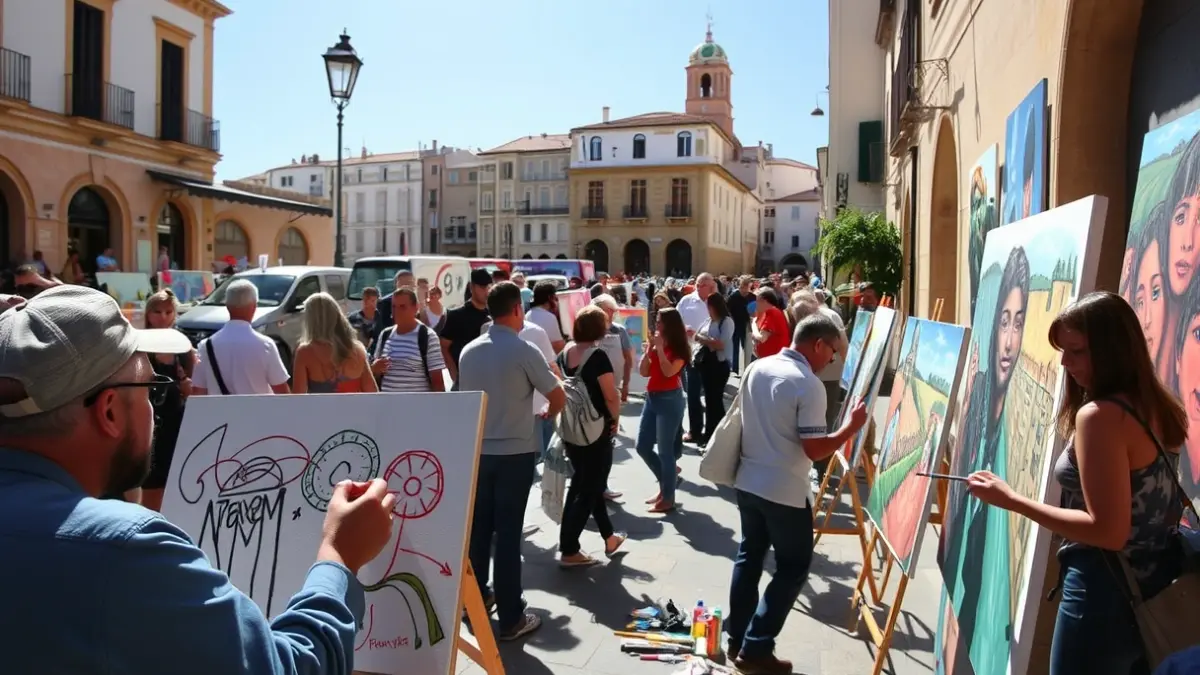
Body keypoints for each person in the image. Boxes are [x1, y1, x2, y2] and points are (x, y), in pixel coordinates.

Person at [0, 284, 398, 674]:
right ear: (109, 412)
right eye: (151, 389)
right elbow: (287, 667)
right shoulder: (122, 551)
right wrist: (339, 556)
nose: (155, 410)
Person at [964, 292, 1187, 675]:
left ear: (1112, 350)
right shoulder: (1154, 402)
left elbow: (1109, 531)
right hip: (1153, 587)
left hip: (1102, 593)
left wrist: (1011, 499)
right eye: (1063, 351)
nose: (1065, 363)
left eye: (1076, 351)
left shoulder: (1099, 418)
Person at [727, 314, 868, 673]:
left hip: (749, 480)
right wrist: (850, 429)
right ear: (818, 344)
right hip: (784, 491)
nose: (831, 361)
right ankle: (756, 648)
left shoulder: (759, 367)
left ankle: (737, 638)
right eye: (832, 353)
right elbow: (815, 450)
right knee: (792, 567)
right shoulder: (808, 385)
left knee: (750, 555)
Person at [457, 281, 566, 640]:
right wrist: (550, 410)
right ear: (517, 310)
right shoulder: (524, 350)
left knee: (478, 533)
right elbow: (558, 394)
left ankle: (475, 603)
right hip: (515, 452)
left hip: (477, 450)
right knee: (507, 535)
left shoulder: (469, 351)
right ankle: (512, 616)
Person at [556, 305, 626, 567]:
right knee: (587, 487)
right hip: (596, 428)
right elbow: (610, 395)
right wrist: (616, 419)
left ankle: (609, 537)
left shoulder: (565, 352)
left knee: (585, 482)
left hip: (572, 428)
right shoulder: (597, 355)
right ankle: (569, 548)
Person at [137, 288, 196, 511]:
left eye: (169, 311)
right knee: (151, 485)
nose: (163, 317)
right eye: (158, 311)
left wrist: (188, 387)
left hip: (177, 422)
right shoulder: (139, 344)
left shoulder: (183, 346)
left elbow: (193, 387)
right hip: (148, 423)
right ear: (148, 314)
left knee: (176, 485)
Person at [191, 280, 290, 396]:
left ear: (227, 306)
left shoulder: (205, 346)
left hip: (220, 414)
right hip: (258, 413)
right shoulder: (266, 345)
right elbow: (282, 392)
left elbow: (198, 392)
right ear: (254, 306)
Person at [635, 308, 689, 513]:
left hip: (670, 399)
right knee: (642, 446)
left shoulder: (679, 348)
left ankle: (668, 497)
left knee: (665, 451)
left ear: (669, 324)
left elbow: (668, 372)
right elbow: (644, 372)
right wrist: (648, 353)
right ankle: (669, 481)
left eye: (659, 321)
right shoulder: (656, 343)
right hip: (652, 397)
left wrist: (659, 350)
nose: (656, 325)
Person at [292, 292, 377, 394]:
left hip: (320, 410)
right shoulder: (357, 350)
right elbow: (372, 392)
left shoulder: (305, 352)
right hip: (354, 409)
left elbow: (298, 398)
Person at [372, 286, 447, 393]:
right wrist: (374, 369)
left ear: (415, 308)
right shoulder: (385, 335)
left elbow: (437, 382)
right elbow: (375, 375)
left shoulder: (427, 337)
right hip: (387, 407)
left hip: (417, 407)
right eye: (394, 307)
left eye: (402, 307)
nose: (397, 311)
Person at [677, 273, 718, 443]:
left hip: (712, 354)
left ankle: (712, 432)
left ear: (712, 286)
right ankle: (694, 431)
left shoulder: (716, 302)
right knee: (692, 394)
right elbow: (675, 320)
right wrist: (682, 329)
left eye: (704, 285)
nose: (700, 287)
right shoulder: (686, 301)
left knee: (712, 395)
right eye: (699, 284)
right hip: (691, 354)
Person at [694, 292, 735, 445]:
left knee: (715, 401)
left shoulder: (726, 321)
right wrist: (704, 339)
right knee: (710, 401)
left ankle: (717, 434)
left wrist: (702, 339)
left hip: (719, 365)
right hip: (706, 364)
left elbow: (720, 344)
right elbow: (698, 335)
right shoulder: (708, 320)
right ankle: (710, 432)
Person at [440, 269, 493, 385]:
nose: (486, 292)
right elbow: (444, 346)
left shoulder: (493, 314)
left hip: (488, 378)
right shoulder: (456, 315)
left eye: (489, 287)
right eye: (482, 287)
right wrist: (454, 375)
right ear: (472, 287)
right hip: (463, 378)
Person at [751, 288, 790, 360]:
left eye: (757, 301)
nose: (755, 304)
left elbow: (762, 338)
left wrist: (753, 325)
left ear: (764, 301)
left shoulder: (772, 312)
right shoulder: (769, 312)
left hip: (773, 358)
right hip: (770, 357)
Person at [528, 281, 566, 354]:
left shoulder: (528, 314)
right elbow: (558, 347)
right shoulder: (549, 317)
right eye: (555, 298)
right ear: (550, 297)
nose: (557, 301)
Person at [727, 277, 754, 374]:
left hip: (747, 324)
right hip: (735, 323)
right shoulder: (733, 296)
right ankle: (735, 369)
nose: (744, 289)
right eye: (742, 287)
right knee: (735, 346)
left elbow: (755, 310)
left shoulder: (752, 297)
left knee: (747, 347)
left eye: (746, 287)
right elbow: (727, 309)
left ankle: (748, 367)